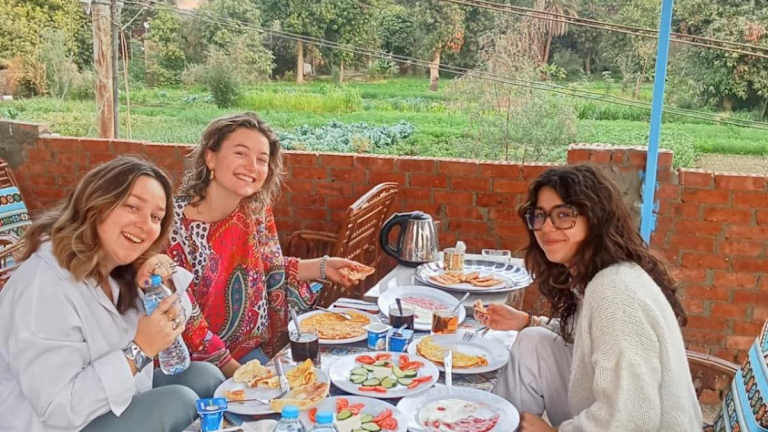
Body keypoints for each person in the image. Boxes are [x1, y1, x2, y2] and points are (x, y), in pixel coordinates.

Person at [0, 156, 224, 432]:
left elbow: (180, 316)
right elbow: (58, 408)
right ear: (95, 204)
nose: (145, 225)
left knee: (207, 379)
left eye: (156, 217)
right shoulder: (44, 284)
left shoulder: (118, 266)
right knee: (179, 402)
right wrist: (139, 350)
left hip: (108, 404)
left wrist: (160, 277)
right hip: (57, 424)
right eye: (132, 207)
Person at [475, 165, 702, 431]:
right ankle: (501, 424)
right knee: (533, 342)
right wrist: (527, 321)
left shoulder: (615, 292)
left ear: (594, 219)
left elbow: (633, 417)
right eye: (540, 215)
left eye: (563, 215)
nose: (546, 227)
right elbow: (585, 338)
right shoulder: (599, 277)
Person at [147, 112, 369, 378]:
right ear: (210, 157)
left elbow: (266, 268)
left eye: (262, 159)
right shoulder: (170, 227)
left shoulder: (254, 211)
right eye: (240, 153)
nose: (252, 166)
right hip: (189, 365)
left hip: (249, 352)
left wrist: (324, 267)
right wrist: (243, 376)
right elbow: (182, 314)